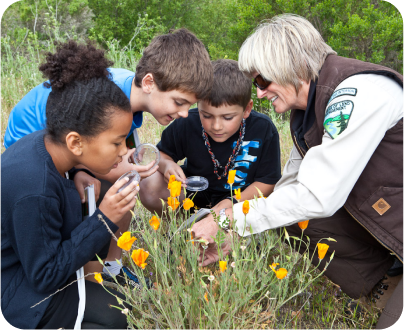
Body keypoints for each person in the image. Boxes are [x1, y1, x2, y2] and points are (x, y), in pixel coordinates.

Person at [191, 14, 404, 329]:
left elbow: (317, 196)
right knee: (289, 217)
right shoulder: (307, 113)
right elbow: (289, 187)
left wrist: (227, 219)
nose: (259, 93)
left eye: (262, 81)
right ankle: (385, 285)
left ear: (287, 65)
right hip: (390, 222)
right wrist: (232, 234)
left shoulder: (357, 92)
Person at [3, 31, 213, 281]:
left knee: (123, 181)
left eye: (189, 105)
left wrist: (160, 163)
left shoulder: (129, 93)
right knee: (115, 184)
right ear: (149, 83)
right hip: (34, 153)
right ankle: (93, 273)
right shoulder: (111, 99)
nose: (184, 114)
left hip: (69, 149)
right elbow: (91, 152)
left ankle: (112, 267)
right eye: (179, 102)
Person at [0, 43, 138, 330]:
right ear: (76, 142)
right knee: (117, 317)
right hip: (14, 288)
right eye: (116, 142)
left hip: (25, 265)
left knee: (125, 303)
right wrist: (104, 219)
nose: (124, 151)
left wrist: (75, 171)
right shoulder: (33, 187)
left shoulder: (47, 147)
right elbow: (45, 275)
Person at [140, 59, 281, 215]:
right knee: (149, 184)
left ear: (247, 109)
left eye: (227, 117)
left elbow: (268, 181)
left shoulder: (263, 128)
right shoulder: (187, 123)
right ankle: (179, 225)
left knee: (224, 240)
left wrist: (231, 203)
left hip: (239, 202)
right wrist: (166, 165)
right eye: (206, 115)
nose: (216, 126)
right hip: (192, 196)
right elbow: (161, 154)